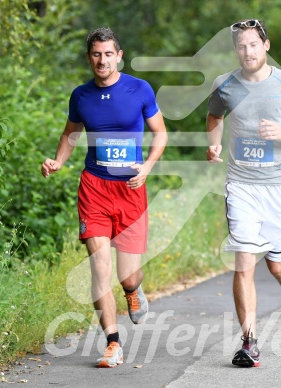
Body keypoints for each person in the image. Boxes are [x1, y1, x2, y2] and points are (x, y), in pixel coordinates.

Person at [41, 27, 168, 368]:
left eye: (108, 53)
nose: (102, 60)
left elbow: (161, 134)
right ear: (89, 58)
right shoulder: (81, 96)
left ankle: (132, 291)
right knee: (99, 266)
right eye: (96, 54)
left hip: (130, 190)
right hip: (95, 187)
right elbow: (70, 134)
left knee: (128, 275)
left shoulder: (139, 89)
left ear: (119, 55)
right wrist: (58, 161)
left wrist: (147, 167)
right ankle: (113, 342)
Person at [206, 19, 281, 368]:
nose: (248, 51)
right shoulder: (224, 84)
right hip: (241, 185)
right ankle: (249, 341)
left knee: (277, 265)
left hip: (279, 188)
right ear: (235, 50)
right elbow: (213, 116)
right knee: (243, 263)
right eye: (241, 46)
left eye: (254, 44)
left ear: (265, 46)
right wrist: (214, 144)